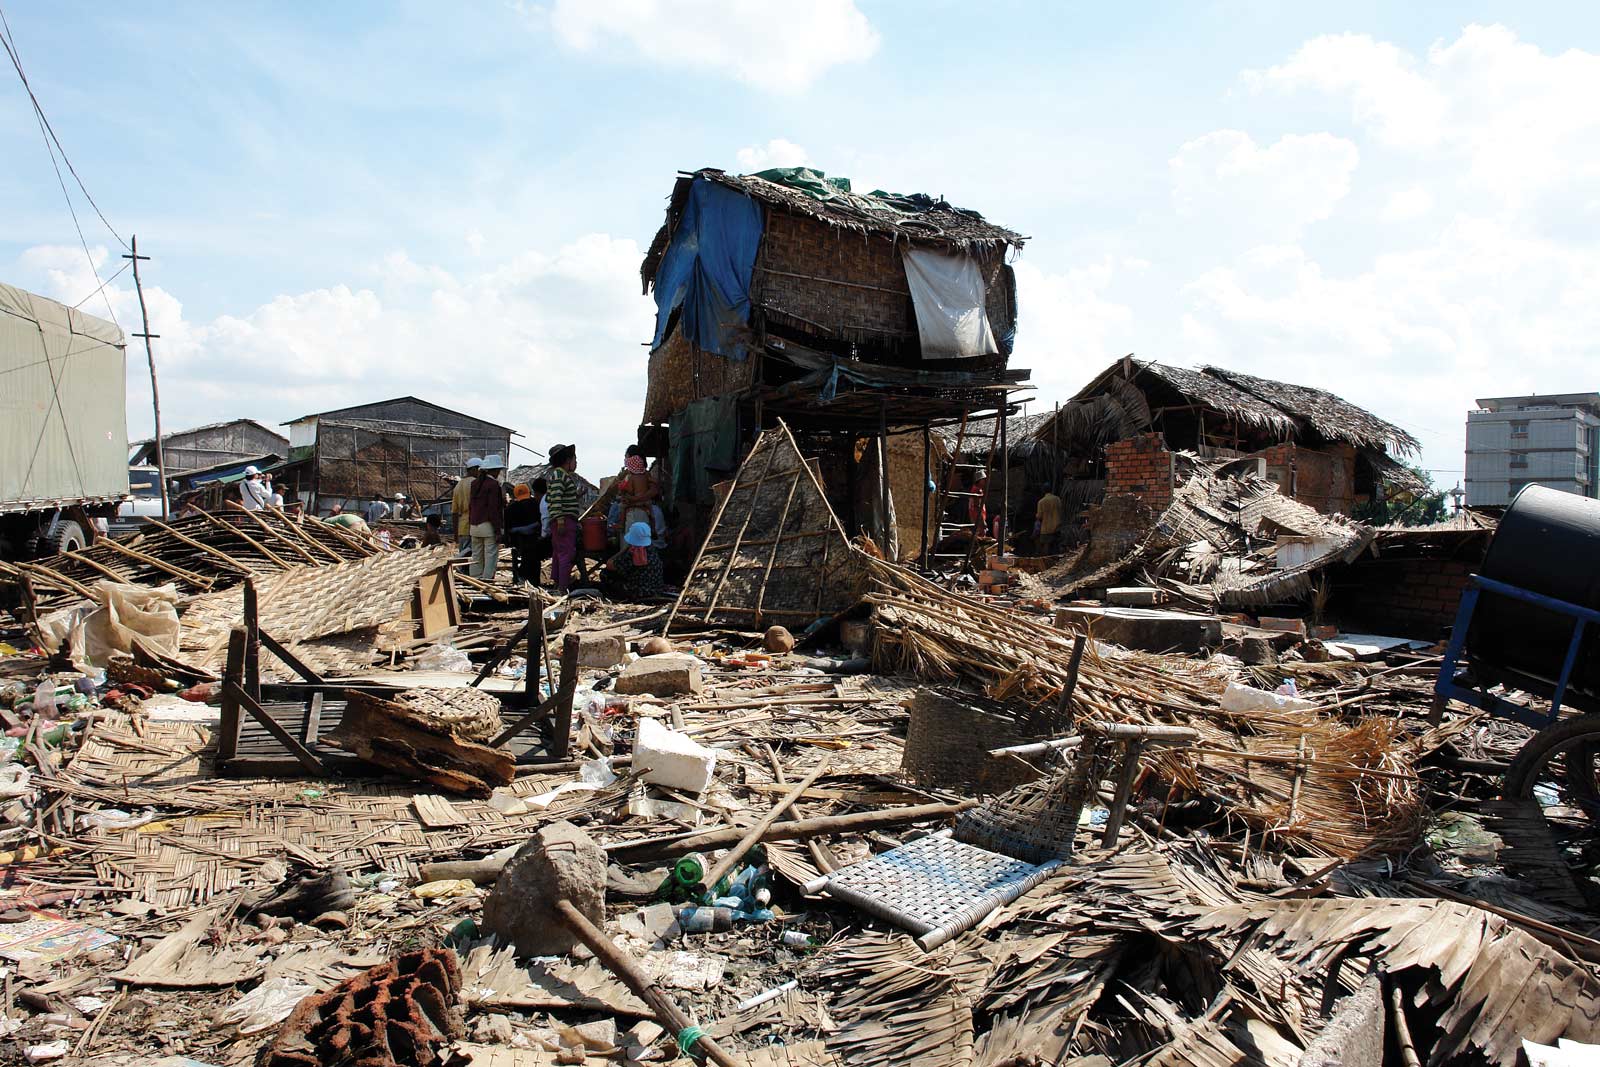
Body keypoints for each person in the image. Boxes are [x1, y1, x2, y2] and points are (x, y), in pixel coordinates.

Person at [545, 444, 582, 593]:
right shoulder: (560, 475)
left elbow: (557, 497)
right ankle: (563, 588)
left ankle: (557, 583)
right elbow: (556, 498)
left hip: (562, 519)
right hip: (564, 520)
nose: (576, 463)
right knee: (566, 553)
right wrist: (560, 519)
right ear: (568, 460)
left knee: (558, 553)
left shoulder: (558, 475)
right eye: (575, 459)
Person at [601, 521, 666, 601]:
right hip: (656, 589)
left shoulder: (635, 552)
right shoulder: (651, 549)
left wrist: (623, 550)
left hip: (640, 591)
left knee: (605, 574)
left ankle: (614, 597)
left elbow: (610, 565)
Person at [468, 454, 506, 580]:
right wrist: (498, 530)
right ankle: (487, 580)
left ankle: (474, 578)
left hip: (474, 525)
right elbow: (493, 509)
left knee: (476, 555)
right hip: (487, 525)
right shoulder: (494, 485)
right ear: (494, 470)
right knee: (490, 555)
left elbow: (471, 505)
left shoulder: (475, 483)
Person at [505, 483, 542, 586]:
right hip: (535, 539)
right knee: (534, 557)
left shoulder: (510, 508)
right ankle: (534, 582)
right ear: (529, 493)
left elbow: (508, 528)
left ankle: (521, 578)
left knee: (526, 554)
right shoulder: (536, 504)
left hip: (517, 540)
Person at [452, 459, 480, 554]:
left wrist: (456, 535)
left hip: (462, 528)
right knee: (474, 558)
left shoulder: (458, 486)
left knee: (463, 557)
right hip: (476, 526)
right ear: (474, 469)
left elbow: (454, 513)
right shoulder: (477, 483)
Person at [1034, 487, 1063, 554]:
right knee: (1056, 545)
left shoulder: (1041, 502)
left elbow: (1039, 516)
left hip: (1046, 528)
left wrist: (1036, 516)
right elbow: (1061, 510)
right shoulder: (1057, 499)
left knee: (1046, 545)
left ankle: (1046, 560)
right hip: (1057, 526)